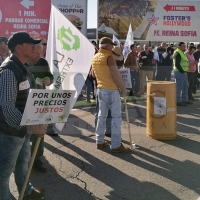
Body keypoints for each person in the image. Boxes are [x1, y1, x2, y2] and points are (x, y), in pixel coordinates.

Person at [0, 32, 47, 200]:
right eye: (30, 44)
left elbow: (26, 97)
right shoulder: (8, 70)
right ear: (19, 47)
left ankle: (26, 191)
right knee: (4, 172)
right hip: (9, 132)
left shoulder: (22, 67)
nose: (34, 47)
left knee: (23, 164)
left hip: (21, 130)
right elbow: (6, 107)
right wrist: (29, 126)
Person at [92, 37, 131, 152]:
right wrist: (124, 89)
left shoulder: (95, 57)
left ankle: (99, 141)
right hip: (111, 90)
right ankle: (116, 144)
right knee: (116, 118)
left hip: (100, 89)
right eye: (111, 45)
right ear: (107, 46)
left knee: (101, 116)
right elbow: (116, 76)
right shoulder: (109, 57)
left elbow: (93, 74)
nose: (113, 47)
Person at [26, 43, 54, 173]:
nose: (38, 56)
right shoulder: (24, 62)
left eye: (40, 53)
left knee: (39, 131)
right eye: (36, 53)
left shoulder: (43, 62)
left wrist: (49, 80)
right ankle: (23, 159)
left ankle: (37, 158)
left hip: (40, 100)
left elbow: (51, 76)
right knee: (24, 133)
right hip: (25, 101)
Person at [173, 42, 193, 106]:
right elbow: (177, 64)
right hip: (179, 72)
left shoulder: (182, 53)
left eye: (184, 46)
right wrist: (182, 71)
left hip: (183, 72)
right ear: (179, 46)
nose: (184, 47)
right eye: (183, 46)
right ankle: (178, 101)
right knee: (179, 87)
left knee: (185, 86)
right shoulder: (177, 53)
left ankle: (185, 99)